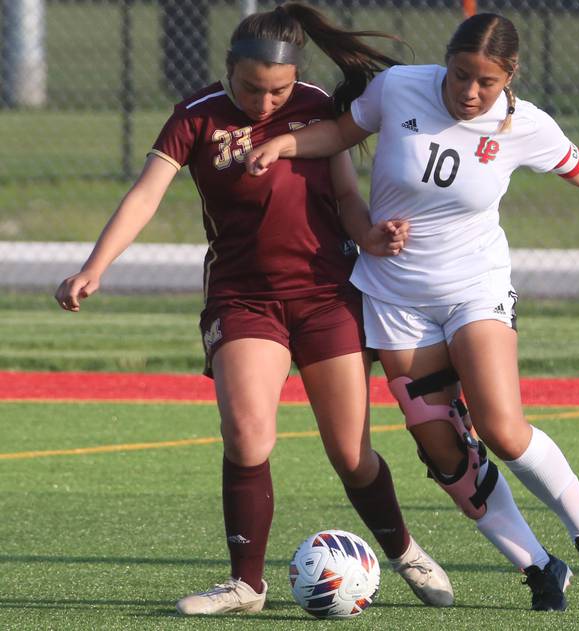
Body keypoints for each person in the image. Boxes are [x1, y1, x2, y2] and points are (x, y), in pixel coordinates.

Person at [246, 10, 579, 611]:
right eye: (460, 76)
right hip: (396, 299)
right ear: (447, 64)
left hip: (474, 289)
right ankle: (538, 566)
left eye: (486, 82)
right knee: (442, 450)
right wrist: (285, 144)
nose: (469, 92)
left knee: (502, 429)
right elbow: (341, 135)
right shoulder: (400, 87)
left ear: (510, 75)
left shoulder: (525, 125)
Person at [54, 3, 455, 616]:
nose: (266, 104)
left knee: (351, 454)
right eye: (251, 89)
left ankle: (402, 551)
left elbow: (347, 195)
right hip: (243, 298)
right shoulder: (194, 117)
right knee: (247, 436)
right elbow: (145, 194)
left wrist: (371, 235)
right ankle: (246, 585)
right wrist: (94, 267)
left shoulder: (317, 103)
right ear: (227, 72)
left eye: (279, 92)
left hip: (327, 294)